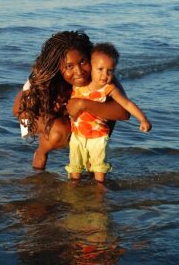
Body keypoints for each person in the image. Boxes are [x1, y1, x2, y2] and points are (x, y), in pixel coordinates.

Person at [12, 31, 130, 169]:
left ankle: (92, 156)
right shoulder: (46, 79)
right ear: (57, 67)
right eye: (69, 66)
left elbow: (124, 112)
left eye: (82, 62)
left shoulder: (100, 73)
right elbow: (18, 110)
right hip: (45, 115)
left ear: (90, 58)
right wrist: (51, 112)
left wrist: (83, 104)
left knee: (106, 104)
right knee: (59, 131)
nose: (79, 71)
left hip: (85, 117)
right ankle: (41, 152)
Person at [65, 43, 152, 183]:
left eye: (110, 71)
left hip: (99, 137)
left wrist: (143, 119)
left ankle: (100, 189)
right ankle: (73, 186)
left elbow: (127, 104)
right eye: (100, 69)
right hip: (77, 136)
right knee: (75, 166)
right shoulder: (79, 83)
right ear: (90, 66)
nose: (104, 75)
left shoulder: (109, 89)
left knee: (99, 167)